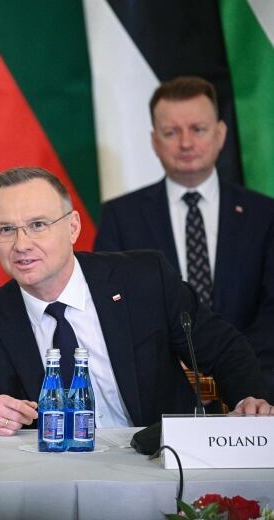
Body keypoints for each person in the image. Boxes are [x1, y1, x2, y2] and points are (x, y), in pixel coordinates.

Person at [0, 167, 271, 436]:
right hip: (51, 483)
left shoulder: (144, 280)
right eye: (6, 229)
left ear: (73, 226)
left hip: (161, 460)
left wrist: (252, 399)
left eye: (38, 225)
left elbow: (224, 349)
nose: (22, 244)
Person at [94, 76, 274, 399]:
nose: (186, 143)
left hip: (257, 390)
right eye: (171, 132)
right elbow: (112, 313)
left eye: (198, 129)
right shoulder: (121, 217)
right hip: (159, 394)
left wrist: (236, 368)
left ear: (220, 134)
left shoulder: (265, 215)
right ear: (154, 141)